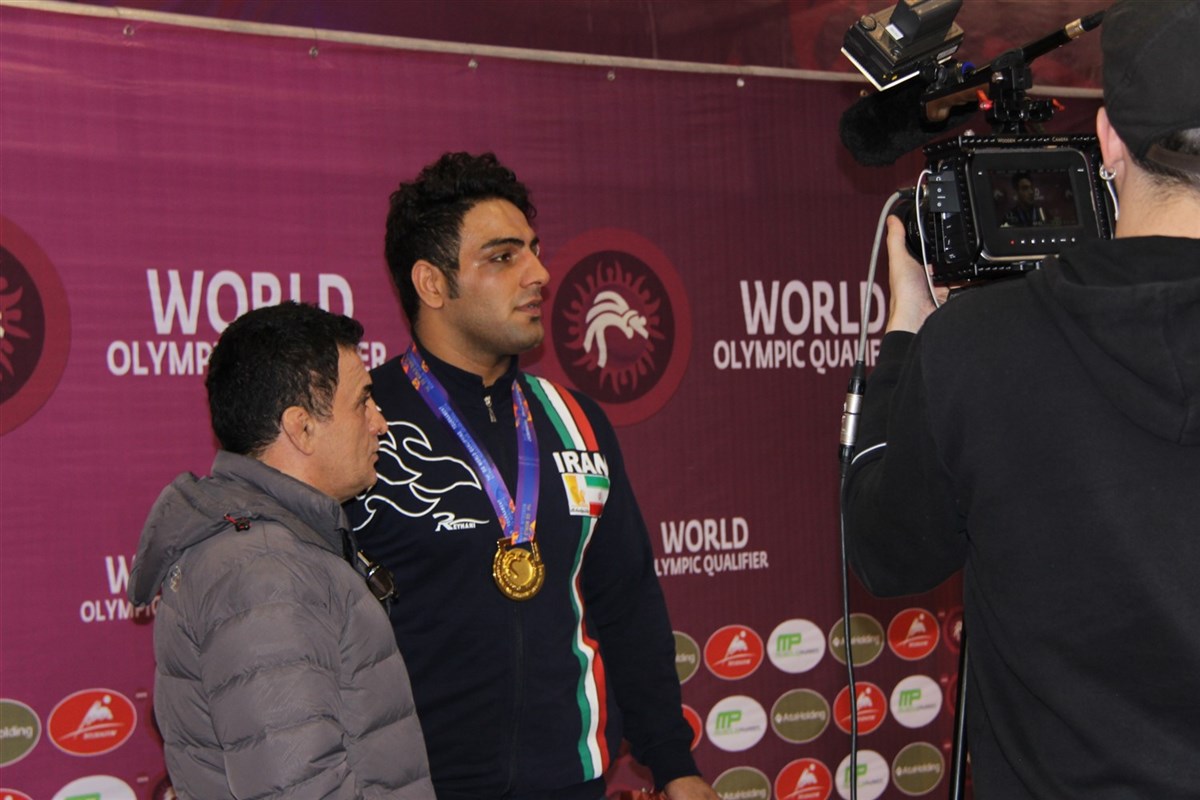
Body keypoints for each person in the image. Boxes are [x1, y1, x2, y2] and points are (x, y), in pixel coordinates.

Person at [842, 1, 1200, 797]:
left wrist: (907, 335)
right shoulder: (981, 343)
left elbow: (886, 553)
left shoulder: (977, 346)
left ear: (1108, 139)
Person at [348, 152, 717, 800]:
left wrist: (673, 763)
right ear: (432, 284)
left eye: (534, 251)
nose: (540, 274)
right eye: (503, 256)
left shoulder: (577, 421)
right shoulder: (362, 423)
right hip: (415, 786)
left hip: (573, 779)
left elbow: (627, 603)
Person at [128, 302, 435, 799]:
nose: (380, 422)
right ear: (301, 427)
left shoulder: (275, 549)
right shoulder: (265, 572)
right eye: (363, 402)